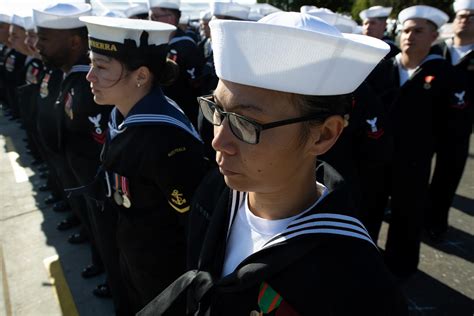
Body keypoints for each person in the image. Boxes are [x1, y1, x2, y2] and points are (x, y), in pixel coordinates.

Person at [139, 12, 407, 316]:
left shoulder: (358, 280)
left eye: (247, 123)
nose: (219, 141)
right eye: (217, 110)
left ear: (323, 135)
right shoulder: (216, 191)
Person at [81, 15, 207, 314]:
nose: (89, 76)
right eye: (91, 64)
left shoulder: (165, 139)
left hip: (164, 273)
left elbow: (193, 225)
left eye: (100, 67)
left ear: (140, 76)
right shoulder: (123, 116)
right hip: (135, 257)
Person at [364, 5, 468, 277]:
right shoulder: (381, 69)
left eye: (418, 31)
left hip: (414, 162)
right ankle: (363, 262)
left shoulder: (445, 74)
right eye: (406, 30)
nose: (409, 36)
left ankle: (400, 271)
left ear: (433, 36)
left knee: (406, 219)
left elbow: (451, 130)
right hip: (375, 160)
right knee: (367, 214)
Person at [34, 1, 111, 282]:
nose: (36, 44)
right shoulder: (69, 76)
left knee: (109, 242)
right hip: (79, 178)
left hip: (97, 186)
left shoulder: (89, 86)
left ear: (75, 41)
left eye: (43, 38)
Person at [426, 0, 473, 241]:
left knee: (447, 178)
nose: (464, 20)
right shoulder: (437, 50)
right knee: (416, 173)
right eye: (461, 16)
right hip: (428, 126)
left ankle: (436, 221)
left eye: (471, 16)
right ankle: (417, 214)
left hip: (458, 129)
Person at [148, 0, 205, 125]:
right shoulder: (154, 43)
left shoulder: (186, 46)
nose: (151, 21)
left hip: (182, 115)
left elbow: (196, 88)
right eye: (150, 17)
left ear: (171, 18)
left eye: (155, 17)